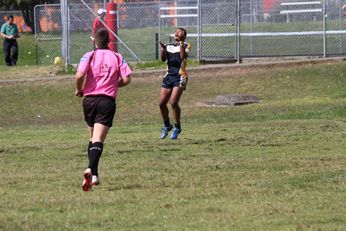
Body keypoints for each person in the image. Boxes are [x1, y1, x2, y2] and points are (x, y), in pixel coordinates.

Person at [75, 28, 132, 192]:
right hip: (106, 101)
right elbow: (127, 79)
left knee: (93, 138)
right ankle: (89, 169)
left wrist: (79, 89)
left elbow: (79, 76)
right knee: (98, 139)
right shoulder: (117, 56)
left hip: (89, 100)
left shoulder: (89, 55)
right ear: (109, 41)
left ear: (94, 41)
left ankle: (94, 176)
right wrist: (115, 84)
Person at [159, 28, 191, 140]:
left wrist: (181, 42)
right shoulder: (169, 45)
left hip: (180, 76)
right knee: (162, 103)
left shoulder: (187, 45)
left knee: (173, 102)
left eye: (180, 32)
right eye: (176, 32)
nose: (177, 33)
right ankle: (167, 126)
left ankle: (177, 127)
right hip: (168, 76)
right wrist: (163, 49)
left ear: (184, 35)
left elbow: (182, 56)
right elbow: (163, 59)